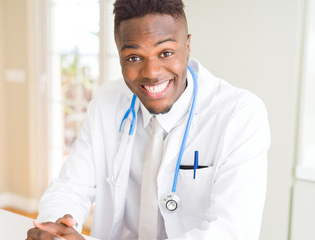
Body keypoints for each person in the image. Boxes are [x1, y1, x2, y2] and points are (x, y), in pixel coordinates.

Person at [26, 0, 270, 239]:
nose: (151, 72)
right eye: (133, 57)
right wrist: (57, 227)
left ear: (187, 46)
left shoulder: (240, 115)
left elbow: (231, 231)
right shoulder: (106, 101)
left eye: (165, 52)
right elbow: (70, 187)